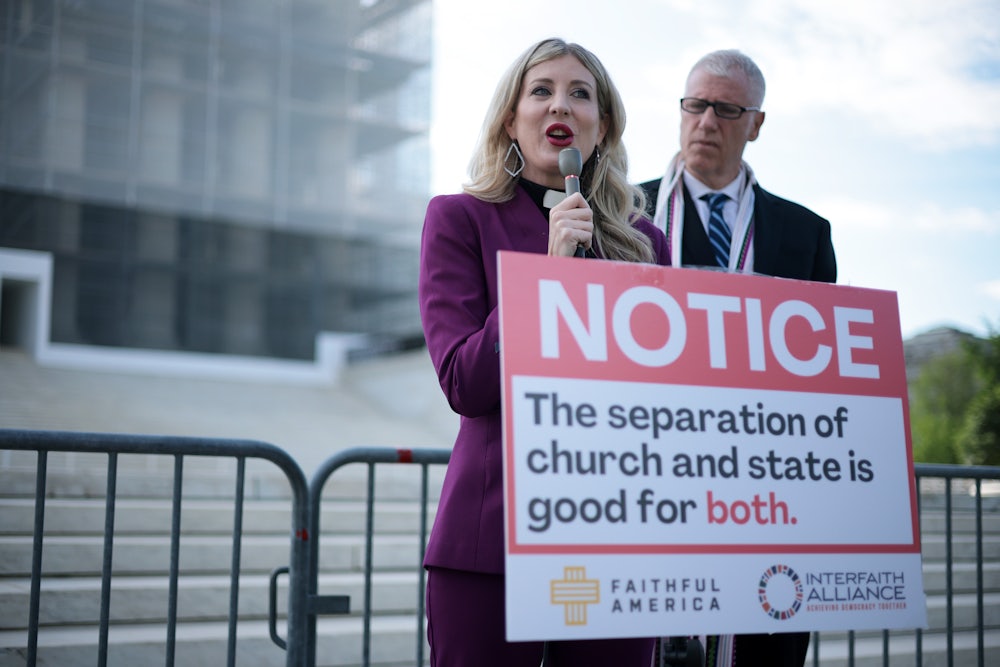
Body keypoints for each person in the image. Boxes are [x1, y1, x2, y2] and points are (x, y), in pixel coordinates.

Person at [418, 38, 669, 667]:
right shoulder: (459, 219)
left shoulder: (645, 245)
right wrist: (546, 276)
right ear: (511, 117)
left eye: (580, 93)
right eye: (541, 90)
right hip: (491, 540)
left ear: (602, 125)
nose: (560, 103)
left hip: (615, 542)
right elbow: (464, 384)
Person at [640, 49, 837, 667]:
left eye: (726, 109)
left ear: (755, 123)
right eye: (695, 105)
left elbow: (824, 377)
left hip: (761, 491)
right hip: (649, 479)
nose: (706, 121)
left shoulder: (805, 234)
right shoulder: (622, 213)